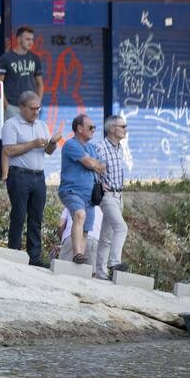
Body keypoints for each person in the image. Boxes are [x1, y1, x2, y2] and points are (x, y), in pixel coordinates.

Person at [2, 91, 61, 266]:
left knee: (36, 218)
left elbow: (48, 152)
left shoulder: (42, 125)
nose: (36, 112)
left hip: (38, 176)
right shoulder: (11, 125)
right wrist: (32, 144)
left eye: (38, 109)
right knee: (18, 215)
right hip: (19, 174)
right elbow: (9, 150)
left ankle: (34, 257)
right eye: (32, 109)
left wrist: (52, 144)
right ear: (21, 108)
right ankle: (13, 253)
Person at [59, 114, 106, 266]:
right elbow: (89, 163)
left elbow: (102, 166)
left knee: (86, 230)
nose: (93, 130)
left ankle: (78, 261)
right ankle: (77, 253)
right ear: (79, 128)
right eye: (90, 127)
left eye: (94, 128)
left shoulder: (92, 148)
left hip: (89, 195)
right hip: (72, 191)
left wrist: (94, 163)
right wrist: (93, 163)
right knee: (79, 215)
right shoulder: (70, 144)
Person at [92, 115, 130, 281]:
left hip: (119, 195)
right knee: (121, 228)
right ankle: (114, 263)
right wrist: (99, 184)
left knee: (106, 237)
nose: (125, 129)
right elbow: (92, 168)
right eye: (123, 126)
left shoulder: (119, 148)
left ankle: (101, 273)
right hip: (107, 195)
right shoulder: (100, 147)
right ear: (112, 128)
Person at [0, 26, 43, 123]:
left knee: (32, 135)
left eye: (32, 39)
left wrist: (38, 102)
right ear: (18, 39)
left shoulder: (35, 58)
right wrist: (6, 106)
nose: (30, 42)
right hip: (12, 106)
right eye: (27, 39)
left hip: (32, 106)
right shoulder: (6, 58)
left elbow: (40, 83)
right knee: (14, 136)